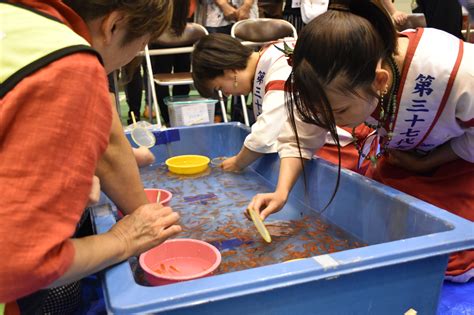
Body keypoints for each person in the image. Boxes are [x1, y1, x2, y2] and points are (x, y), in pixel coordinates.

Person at [248, 0, 473, 280]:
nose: (332, 124)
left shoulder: (455, 72)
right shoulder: (325, 76)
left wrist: (428, 164)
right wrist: (281, 193)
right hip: (404, 158)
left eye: (340, 112)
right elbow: (301, 138)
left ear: (380, 81)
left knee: (448, 263)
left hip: (459, 161)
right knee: (380, 243)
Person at [0, 0, 181, 313]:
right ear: (113, 25)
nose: (136, 55)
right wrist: (126, 238)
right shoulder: (70, 63)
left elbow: (108, 143)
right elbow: (20, 264)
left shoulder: (17, 17)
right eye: (143, 43)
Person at [191, 33, 357, 172]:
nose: (227, 93)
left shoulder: (279, 74)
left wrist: (237, 163)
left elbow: (265, 135)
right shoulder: (272, 50)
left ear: (229, 71)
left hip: (343, 145)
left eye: (221, 88)